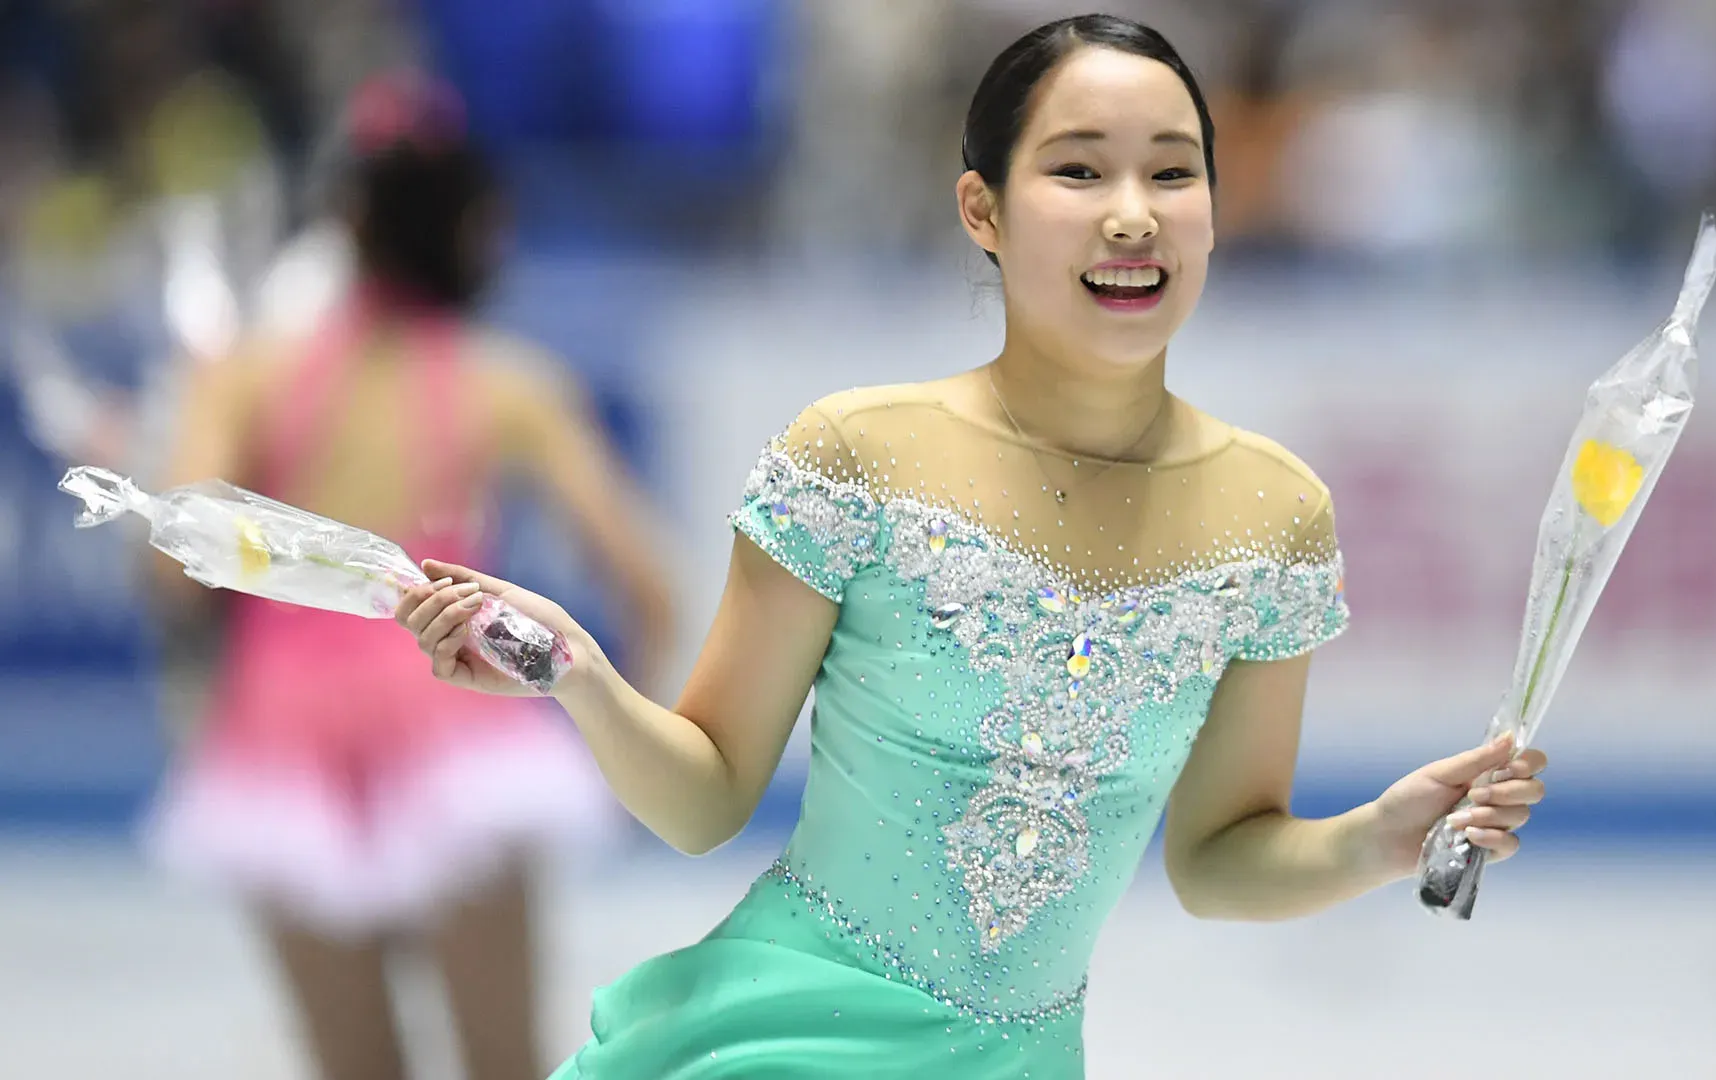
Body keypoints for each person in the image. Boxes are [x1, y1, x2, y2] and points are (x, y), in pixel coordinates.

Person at [399, 16, 1549, 1079]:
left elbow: (1219, 857)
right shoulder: (856, 454)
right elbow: (704, 798)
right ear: (981, 209)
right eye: (1080, 168)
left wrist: (1378, 840)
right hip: (785, 1037)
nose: (1134, 212)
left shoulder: (1272, 515)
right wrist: (584, 677)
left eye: (1173, 169)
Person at [150, 72, 676, 1080]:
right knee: (506, 1065)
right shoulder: (506, 385)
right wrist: (623, 751)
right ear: (477, 230)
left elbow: (178, 575)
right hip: (454, 728)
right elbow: (647, 581)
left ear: (347, 222)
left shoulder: (248, 376)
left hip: (283, 739)